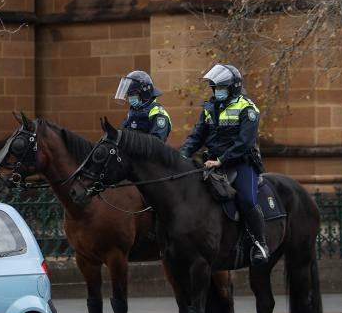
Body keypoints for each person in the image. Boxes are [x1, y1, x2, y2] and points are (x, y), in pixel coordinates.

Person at [179, 63, 268, 264]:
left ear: (233, 87)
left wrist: (222, 160)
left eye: (221, 88)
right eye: (215, 88)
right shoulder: (210, 107)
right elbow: (197, 135)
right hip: (211, 163)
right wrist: (183, 155)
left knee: (246, 199)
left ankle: (259, 244)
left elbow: (244, 143)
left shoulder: (247, 108)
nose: (217, 91)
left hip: (240, 163)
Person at [114, 70, 172, 142]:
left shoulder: (158, 113)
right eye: (128, 95)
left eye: (132, 94)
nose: (130, 98)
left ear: (144, 93)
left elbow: (156, 143)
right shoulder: (133, 111)